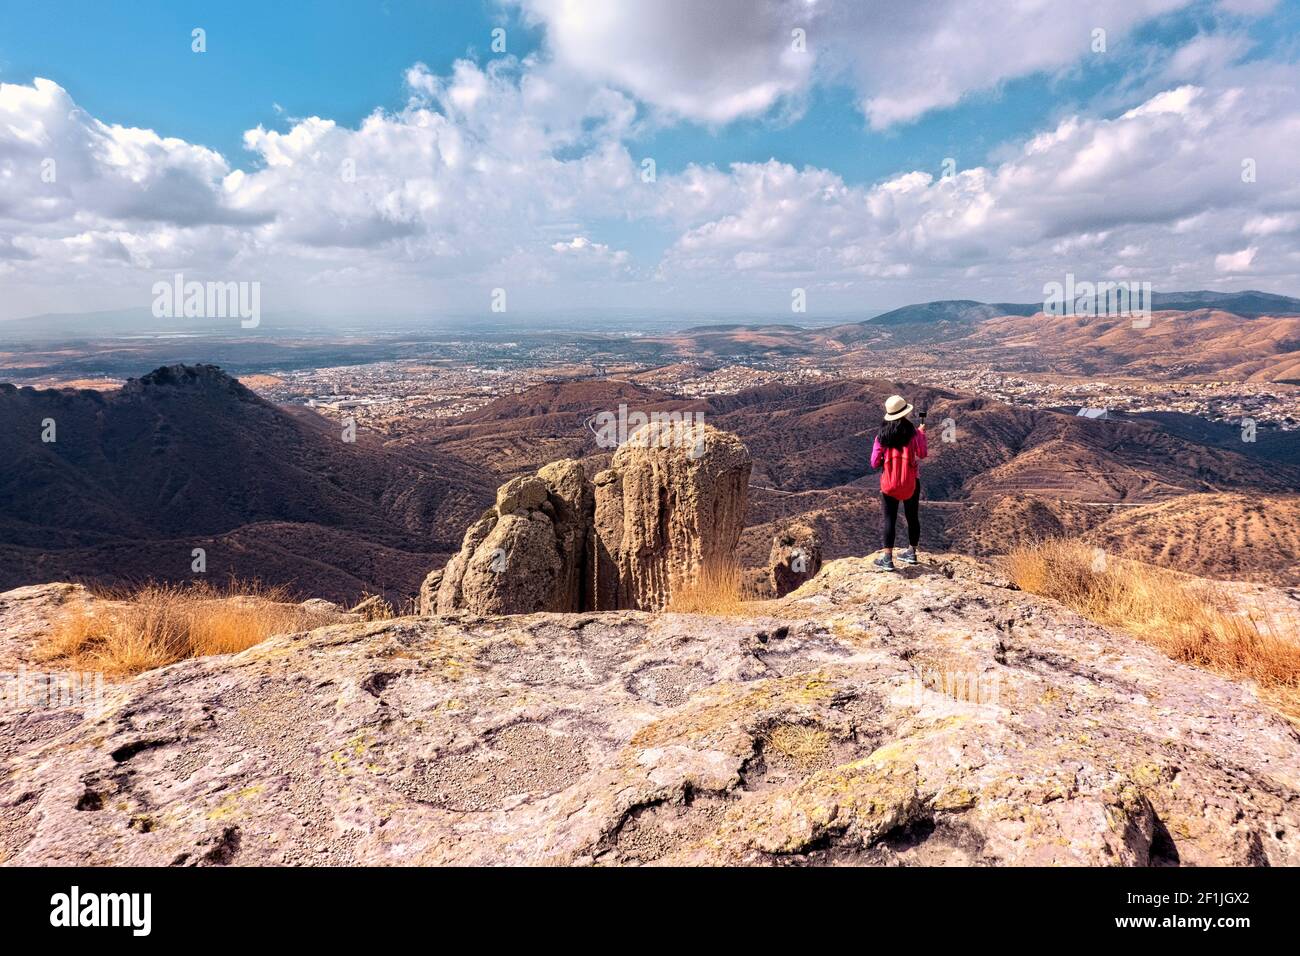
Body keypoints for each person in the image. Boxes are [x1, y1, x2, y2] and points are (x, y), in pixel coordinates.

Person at [869, 394, 927, 571]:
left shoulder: (881, 437)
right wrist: (922, 434)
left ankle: (887, 559)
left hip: (889, 484)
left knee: (889, 519)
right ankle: (912, 552)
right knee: (912, 517)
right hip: (911, 482)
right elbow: (923, 454)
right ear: (904, 413)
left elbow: (874, 463)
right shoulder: (914, 434)